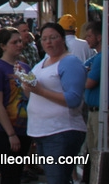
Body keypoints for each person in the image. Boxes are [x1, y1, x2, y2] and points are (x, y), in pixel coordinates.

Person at [23, 22, 87, 184]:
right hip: (41, 130)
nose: (48, 42)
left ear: (63, 39)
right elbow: (32, 94)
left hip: (61, 130)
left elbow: (73, 99)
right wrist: (26, 85)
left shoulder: (70, 62)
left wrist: (40, 91)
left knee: (57, 179)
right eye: (44, 39)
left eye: (53, 38)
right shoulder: (43, 62)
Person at [0, 27, 32, 184]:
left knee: (17, 174)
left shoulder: (25, 67)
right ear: (3, 46)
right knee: (9, 174)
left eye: (20, 41)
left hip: (24, 128)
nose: (19, 45)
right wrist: (11, 134)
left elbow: (32, 95)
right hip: (2, 130)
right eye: (14, 42)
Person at [83, 20, 102, 184]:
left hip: (99, 112)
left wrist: (84, 76)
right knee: (90, 149)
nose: (86, 39)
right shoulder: (96, 57)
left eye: (89, 36)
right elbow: (83, 69)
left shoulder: (102, 57)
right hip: (92, 110)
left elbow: (88, 82)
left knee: (96, 151)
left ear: (99, 37)